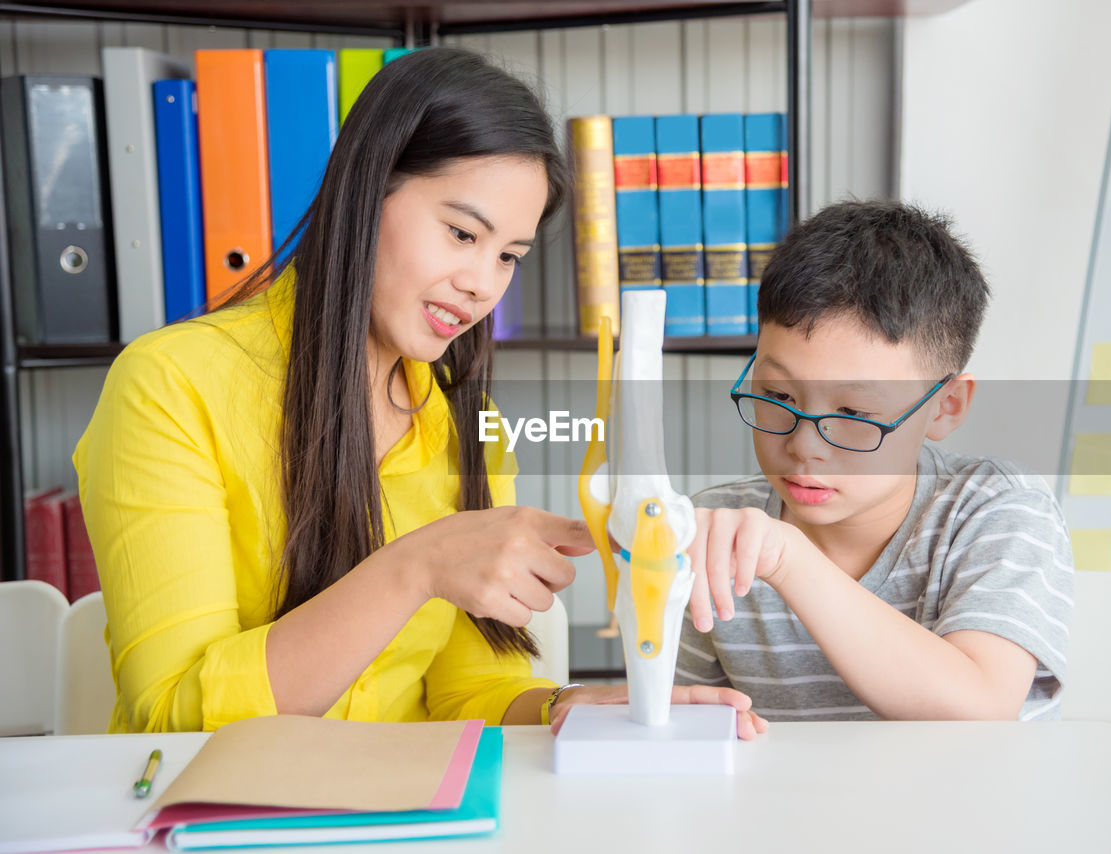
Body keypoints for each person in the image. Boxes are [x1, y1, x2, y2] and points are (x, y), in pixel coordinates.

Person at [75, 47, 761, 736]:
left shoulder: (465, 426)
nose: (483, 285)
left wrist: (562, 709)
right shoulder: (170, 386)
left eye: (508, 257)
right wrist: (417, 567)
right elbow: (171, 718)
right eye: (462, 233)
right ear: (367, 190)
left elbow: (471, 692)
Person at [672, 199, 1074, 722]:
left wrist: (789, 561)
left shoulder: (998, 511)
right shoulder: (722, 530)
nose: (805, 446)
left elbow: (981, 707)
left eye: (855, 412)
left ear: (944, 407)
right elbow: (689, 728)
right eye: (780, 395)